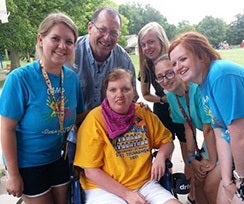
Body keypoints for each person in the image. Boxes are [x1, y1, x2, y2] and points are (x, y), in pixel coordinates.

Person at [0, 12, 85, 204]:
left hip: (59, 159)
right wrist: (12, 175)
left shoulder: (72, 79)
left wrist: (113, 108)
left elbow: (81, 118)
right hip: (28, 164)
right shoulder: (19, 79)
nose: (62, 46)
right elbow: (6, 129)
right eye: (55, 38)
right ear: (41, 39)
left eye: (69, 41)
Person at [74, 68, 181, 204]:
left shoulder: (143, 113)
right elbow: (90, 171)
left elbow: (167, 141)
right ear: (106, 93)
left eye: (125, 89)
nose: (120, 95)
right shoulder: (94, 120)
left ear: (133, 91)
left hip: (145, 184)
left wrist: (161, 155)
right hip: (104, 189)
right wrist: (127, 194)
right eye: (113, 90)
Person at [168, 31, 244, 204]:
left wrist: (240, 180)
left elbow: (242, 138)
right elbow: (221, 135)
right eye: (174, 63)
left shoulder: (220, 75)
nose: (178, 67)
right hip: (241, 148)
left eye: (183, 59)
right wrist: (228, 181)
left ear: (202, 55)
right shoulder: (204, 86)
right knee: (223, 195)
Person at [67, 6, 138, 165]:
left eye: (114, 33)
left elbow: (131, 101)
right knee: (72, 185)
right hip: (72, 138)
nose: (107, 38)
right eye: (102, 30)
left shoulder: (124, 60)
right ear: (90, 27)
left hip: (110, 138)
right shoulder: (69, 52)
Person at [154, 54, 221, 204]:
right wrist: (191, 159)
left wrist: (211, 161)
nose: (166, 80)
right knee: (197, 182)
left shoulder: (196, 88)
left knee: (210, 186)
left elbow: (208, 128)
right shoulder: (172, 97)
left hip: (224, 137)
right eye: (160, 77)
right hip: (211, 140)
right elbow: (188, 129)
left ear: (177, 70)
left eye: (169, 73)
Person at [137, 22, 191, 200]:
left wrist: (176, 97)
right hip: (162, 109)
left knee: (187, 146)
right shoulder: (146, 67)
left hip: (181, 106)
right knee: (165, 148)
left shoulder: (172, 59)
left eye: (151, 42)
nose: (147, 47)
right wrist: (162, 99)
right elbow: (145, 94)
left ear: (161, 41)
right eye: (143, 44)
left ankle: (188, 184)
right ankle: (167, 187)